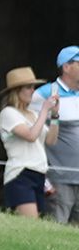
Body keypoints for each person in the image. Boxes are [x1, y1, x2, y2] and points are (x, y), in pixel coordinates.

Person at [0, 67, 56, 217]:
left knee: (35, 229)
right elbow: (31, 136)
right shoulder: (8, 113)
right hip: (20, 174)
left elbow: (51, 140)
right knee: (31, 225)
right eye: (29, 87)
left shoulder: (34, 115)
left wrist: (55, 116)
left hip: (39, 173)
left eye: (33, 87)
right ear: (17, 91)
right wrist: (44, 111)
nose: (33, 91)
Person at [37, 46, 79, 222]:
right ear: (66, 67)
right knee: (57, 227)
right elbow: (32, 128)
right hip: (59, 176)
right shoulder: (45, 93)